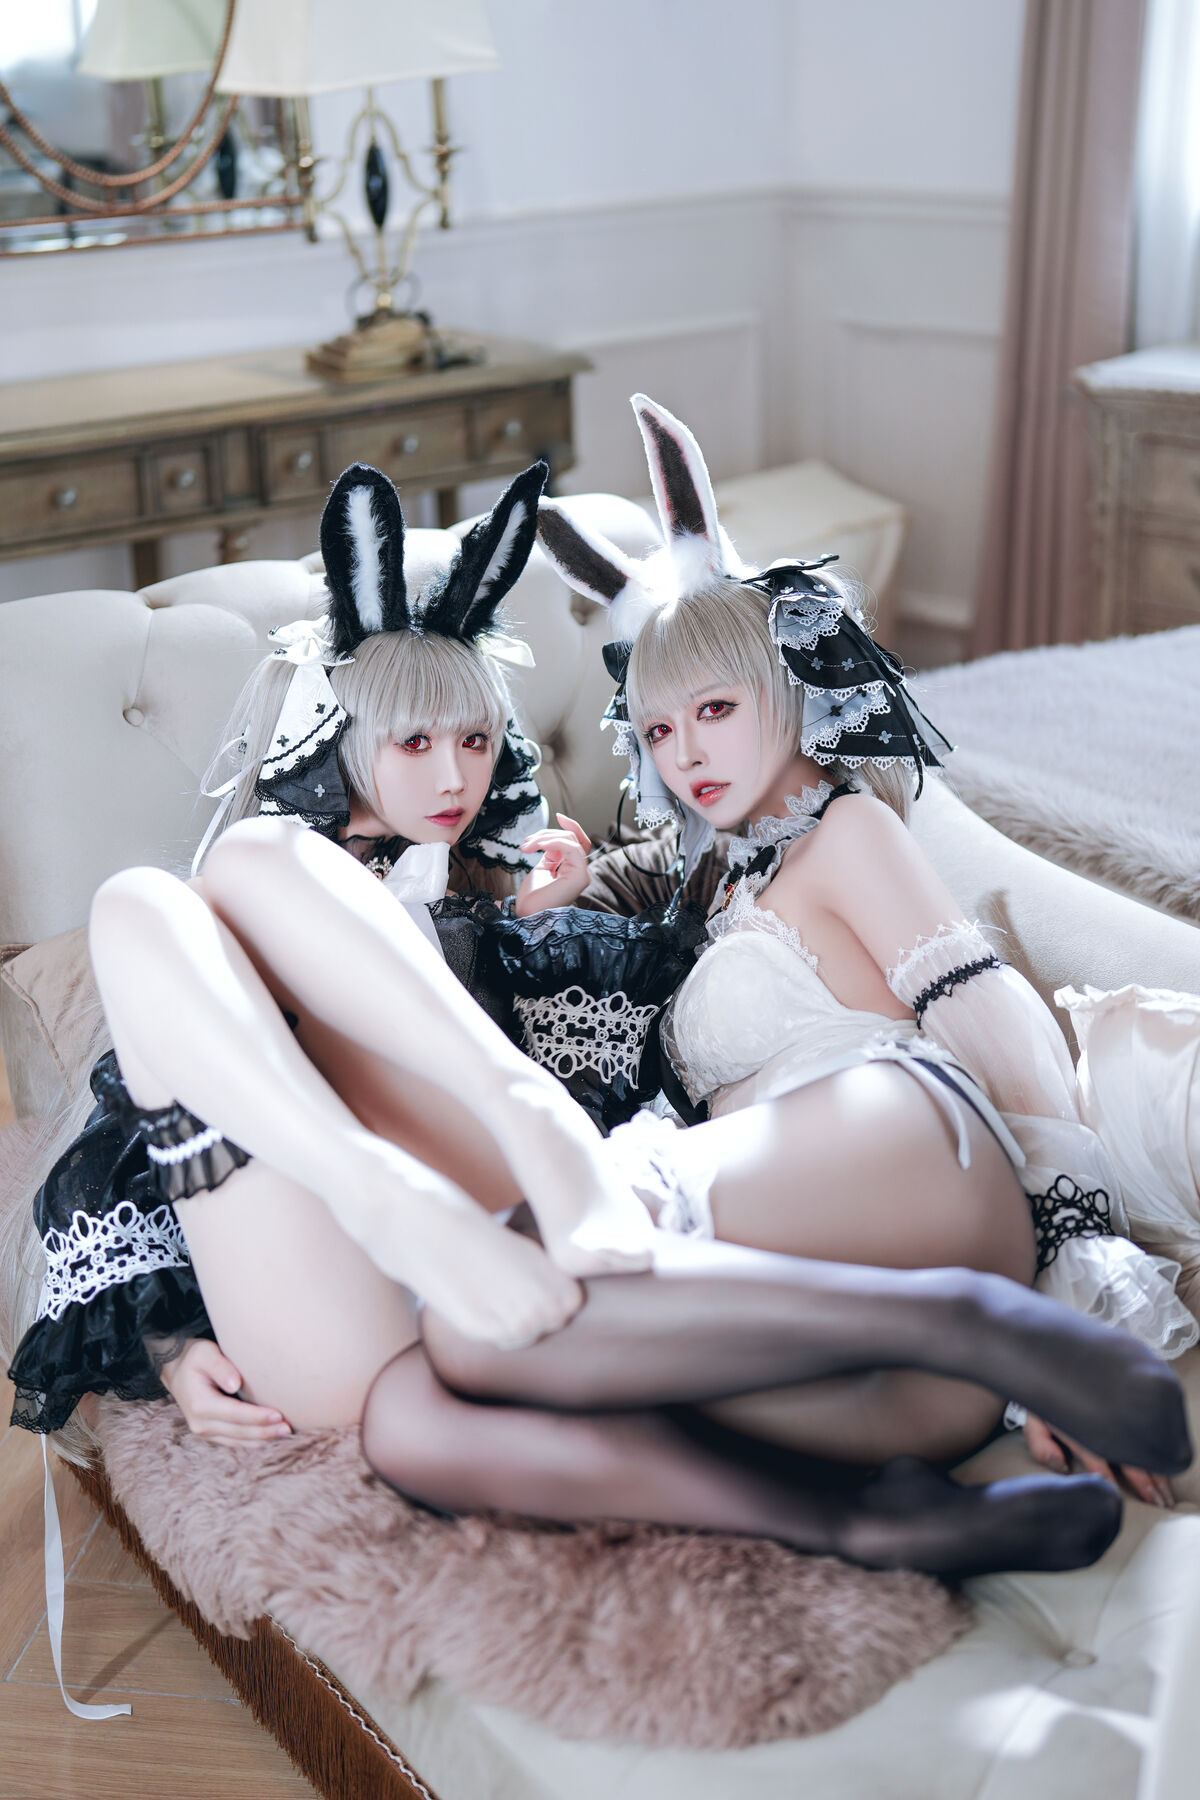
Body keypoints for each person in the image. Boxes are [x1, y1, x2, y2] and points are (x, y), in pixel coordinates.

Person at [4, 458, 1190, 1591]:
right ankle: (870, 1520)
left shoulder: (833, 835)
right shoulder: (684, 884)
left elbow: (989, 1017)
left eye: (714, 710)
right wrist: (169, 1340)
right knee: (416, 1409)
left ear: (789, 688)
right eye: (660, 730)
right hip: (773, 1347)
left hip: (865, 1182)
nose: (688, 753)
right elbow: (152, 1122)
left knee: (478, 1307)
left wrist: (1080, 1265)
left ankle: (972, 1324)